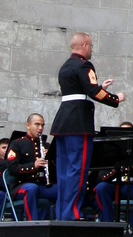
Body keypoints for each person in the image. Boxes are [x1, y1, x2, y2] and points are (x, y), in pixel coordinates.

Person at [49, 31, 125, 221]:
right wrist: (116, 99)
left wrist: (100, 88)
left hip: (63, 123)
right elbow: (93, 92)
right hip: (78, 124)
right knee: (78, 170)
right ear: (83, 46)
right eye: (90, 46)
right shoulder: (84, 65)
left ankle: (62, 213)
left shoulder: (64, 67)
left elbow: (81, 90)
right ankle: (73, 213)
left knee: (64, 171)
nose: (91, 50)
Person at [94, 122, 133, 234]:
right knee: (101, 188)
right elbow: (100, 177)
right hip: (114, 187)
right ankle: (108, 225)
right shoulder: (109, 153)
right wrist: (113, 172)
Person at [5, 113, 58, 220]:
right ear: (28, 125)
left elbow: (55, 172)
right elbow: (12, 169)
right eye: (37, 125)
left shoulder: (46, 145)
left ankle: (58, 222)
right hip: (21, 185)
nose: (40, 128)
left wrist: (51, 160)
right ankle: (32, 224)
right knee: (31, 189)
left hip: (41, 185)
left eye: (42, 125)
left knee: (62, 189)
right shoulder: (17, 144)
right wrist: (34, 165)